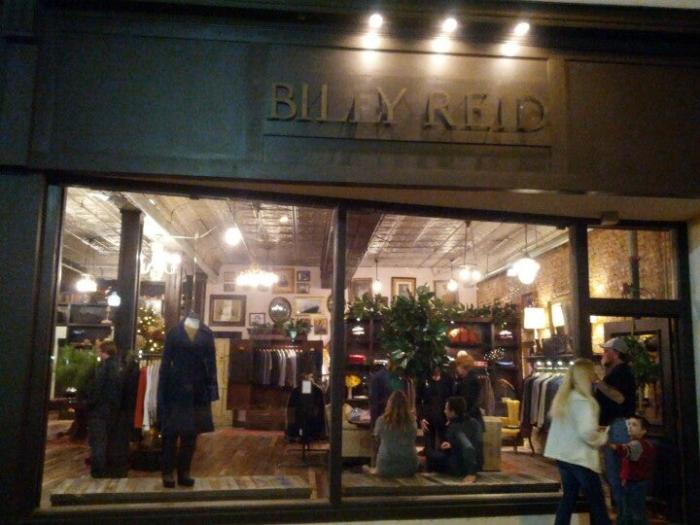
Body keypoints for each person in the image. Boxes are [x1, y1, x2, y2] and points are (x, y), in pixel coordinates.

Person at [544, 359, 611, 525]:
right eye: (593, 373)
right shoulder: (582, 401)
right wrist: (602, 437)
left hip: (564, 456)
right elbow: (586, 431)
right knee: (597, 500)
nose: (595, 377)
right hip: (580, 458)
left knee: (569, 498)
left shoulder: (564, 398)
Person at [158, 314, 219, 488]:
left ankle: (184, 472)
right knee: (170, 433)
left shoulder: (206, 333)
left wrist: (211, 390)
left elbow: (211, 363)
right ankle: (167, 473)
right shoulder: (174, 333)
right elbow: (165, 363)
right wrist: (161, 391)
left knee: (191, 434)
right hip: (175, 388)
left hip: (197, 389)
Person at [594, 337, 637, 511]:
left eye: (606, 351)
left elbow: (619, 398)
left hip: (618, 425)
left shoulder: (622, 372)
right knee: (612, 471)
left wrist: (598, 382)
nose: (603, 354)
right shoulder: (615, 372)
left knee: (615, 471)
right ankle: (622, 509)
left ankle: (624, 512)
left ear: (616, 353)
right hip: (613, 425)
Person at [609, 416, 655, 525]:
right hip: (634, 482)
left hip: (635, 484)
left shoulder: (638, 444)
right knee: (632, 511)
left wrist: (609, 444)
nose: (629, 427)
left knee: (634, 513)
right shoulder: (641, 443)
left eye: (634, 425)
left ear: (643, 431)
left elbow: (625, 451)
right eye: (628, 424)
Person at [86, 340, 122, 478]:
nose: (98, 353)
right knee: (108, 440)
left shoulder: (103, 368)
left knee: (98, 441)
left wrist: (90, 402)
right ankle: (109, 469)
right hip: (112, 410)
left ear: (104, 352)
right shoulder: (119, 367)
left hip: (99, 410)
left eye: (99, 351)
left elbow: (97, 389)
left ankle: (98, 471)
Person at [425, 396, 482, 482]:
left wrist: (471, 474)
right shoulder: (473, 422)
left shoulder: (455, 427)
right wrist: (452, 445)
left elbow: (469, 447)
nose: (444, 411)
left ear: (453, 412)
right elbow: (472, 442)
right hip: (476, 463)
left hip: (461, 467)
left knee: (431, 455)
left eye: (446, 409)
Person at [368, 390, 419, 477]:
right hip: (409, 467)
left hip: (385, 467)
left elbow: (376, 440)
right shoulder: (412, 422)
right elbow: (413, 438)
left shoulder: (381, 421)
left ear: (389, 404)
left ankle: (373, 468)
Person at [417, 366, 452, 454]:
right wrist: (421, 418)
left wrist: (450, 417)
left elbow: (452, 398)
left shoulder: (447, 379)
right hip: (428, 417)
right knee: (429, 446)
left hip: (444, 417)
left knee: (444, 445)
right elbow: (418, 401)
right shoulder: (424, 380)